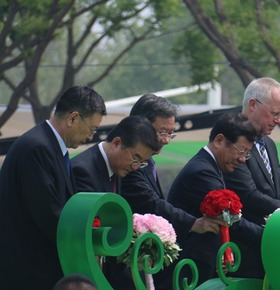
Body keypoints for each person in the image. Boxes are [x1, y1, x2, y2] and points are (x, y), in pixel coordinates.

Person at [0, 85, 106, 290]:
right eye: (92, 129)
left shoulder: (49, 146)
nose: (90, 137)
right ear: (73, 118)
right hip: (27, 270)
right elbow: (48, 213)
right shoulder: (36, 148)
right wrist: (88, 241)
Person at [119, 94, 225, 289]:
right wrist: (193, 223)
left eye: (170, 133)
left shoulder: (147, 161)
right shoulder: (128, 163)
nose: (166, 140)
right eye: (162, 132)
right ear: (141, 126)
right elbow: (151, 204)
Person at [167, 112, 263, 284]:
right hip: (191, 267)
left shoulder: (211, 166)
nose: (242, 159)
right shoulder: (202, 172)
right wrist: (270, 235)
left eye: (247, 154)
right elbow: (231, 220)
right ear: (219, 141)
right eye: (241, 151)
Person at [223, 77, 280, 225]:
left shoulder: (269, 144)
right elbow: (248, 195)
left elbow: (276, 192)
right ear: (253, 104)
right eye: (275, 113)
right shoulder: (232, 140)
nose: (279, 121)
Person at [72, 115, 161, 194]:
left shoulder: (116, 168)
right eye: (136, 159)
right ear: (116, 143)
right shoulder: (82, 171)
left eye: (141, 163)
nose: (135, 167)